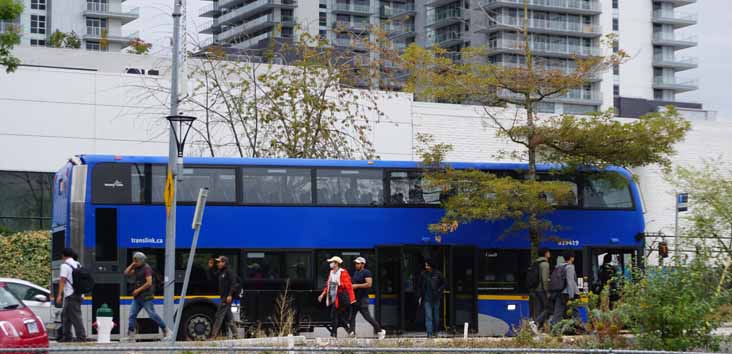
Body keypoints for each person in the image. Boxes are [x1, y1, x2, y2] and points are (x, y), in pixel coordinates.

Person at [124, 252, 170, 341]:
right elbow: (126, 273)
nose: (135, 262)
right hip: (138, 297)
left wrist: (137, 290)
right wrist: (132, 264)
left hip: (146, 297)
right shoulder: (136, 268)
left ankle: (166, 330)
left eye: (136, 260)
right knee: (132, 315)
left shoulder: (146, 268)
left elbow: (149, 283)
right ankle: (131, 335)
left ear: (142, 260)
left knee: (152, 314)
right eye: (134, 260)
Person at [318, 256, 356, 338]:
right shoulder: (331, 272)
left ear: (336, 263)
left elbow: (348, 285)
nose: (330, 264)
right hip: (335, 296)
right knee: (336, 315)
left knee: (334, 314)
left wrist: (340, 283)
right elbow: (328, 285)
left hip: (343, 297)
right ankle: (348, 331)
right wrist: (322, 294)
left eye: (332, 262)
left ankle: (334, 334)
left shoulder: (343, 272)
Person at [349, 257, 386, 339]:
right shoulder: (355, 273)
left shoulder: (367, 272)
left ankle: (380, 331)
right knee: (351, 316)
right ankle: (352, 333)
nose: (356, 265)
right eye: (356, 263)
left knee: (367, 317)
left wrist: (356, 286)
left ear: (363, 264)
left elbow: (369, 284)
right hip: (355, 299)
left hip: (363, 299)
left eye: (358, 263)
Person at [57, 248, 87, 342]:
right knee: (65, 315)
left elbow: (62, 280)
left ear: (63, 255)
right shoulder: (78, 264)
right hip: (79, 293)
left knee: (75, 316)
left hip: (71, 295)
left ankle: (81, 337)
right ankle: (67, 336)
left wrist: (59, 295)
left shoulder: (65, 265)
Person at [211, 256, 241, 339]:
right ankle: (236, 335)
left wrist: (230, 295)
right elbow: (213, 275)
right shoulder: (221, 272)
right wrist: (211, 266)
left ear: (224, 263)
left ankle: (213, 336)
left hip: (226, 298)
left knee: (219, 316)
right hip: (223, 297)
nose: (218, 264)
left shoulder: (229, 272)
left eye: (219, 262)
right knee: (229, 317)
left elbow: (233, 284)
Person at [417, 260, 446, 338]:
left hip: (436, 299)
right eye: (425, 265)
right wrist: (419, 296)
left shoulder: (438, 274)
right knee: (428, 317)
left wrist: (439, 291)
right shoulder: (423, 274)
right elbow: (419, 286)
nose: (426, 267)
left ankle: (435, 331)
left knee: (436, 317)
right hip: (427, 299)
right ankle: (429, 334)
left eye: (427, 265)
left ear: (431, 266)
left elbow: (444, 283)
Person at [550, 252, 579, 326]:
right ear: (571, 258)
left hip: (560, 292)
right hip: (568, 293)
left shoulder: (559, 266)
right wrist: (571, 296)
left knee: (558, 312)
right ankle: (578, 326)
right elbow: (570, 282)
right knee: (575, 311)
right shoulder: (570, 267)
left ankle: (554, 328)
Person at [530, 249, 552, 332]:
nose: (550, 254)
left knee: (539, 309)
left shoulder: (536, 263)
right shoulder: (545, 264)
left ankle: (538, 329)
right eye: (548, 252)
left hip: (535, 289)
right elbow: (544, 279)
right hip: (542, 290)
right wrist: (547, 291)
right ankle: (535, 323)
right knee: (549, 308)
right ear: (546, 253)